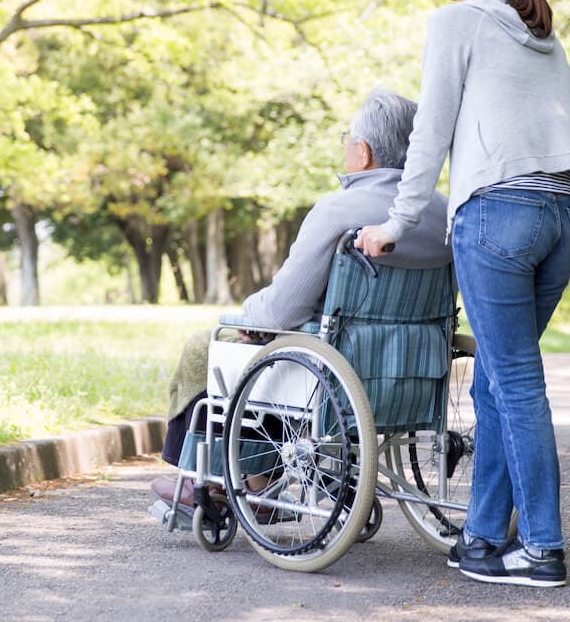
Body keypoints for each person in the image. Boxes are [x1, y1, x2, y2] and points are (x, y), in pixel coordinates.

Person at [356, 0, 570, 588]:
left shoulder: (457, 20)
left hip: (498, 213)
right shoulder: (540, 35)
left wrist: (395, 225)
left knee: (516, 383)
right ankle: (485, 539)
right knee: (496, 379)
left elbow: (429, 133)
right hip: (561, 213)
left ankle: (543, 548)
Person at [151, 88, 450, 513]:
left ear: (362, 153)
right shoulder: (445, 215)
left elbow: (281, 311)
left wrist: (245, 315)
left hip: (334, 370)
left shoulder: (338, 210)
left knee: (211, 347)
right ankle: (262, 480)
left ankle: (216, 482)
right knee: (285, 353)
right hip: (413, 371)